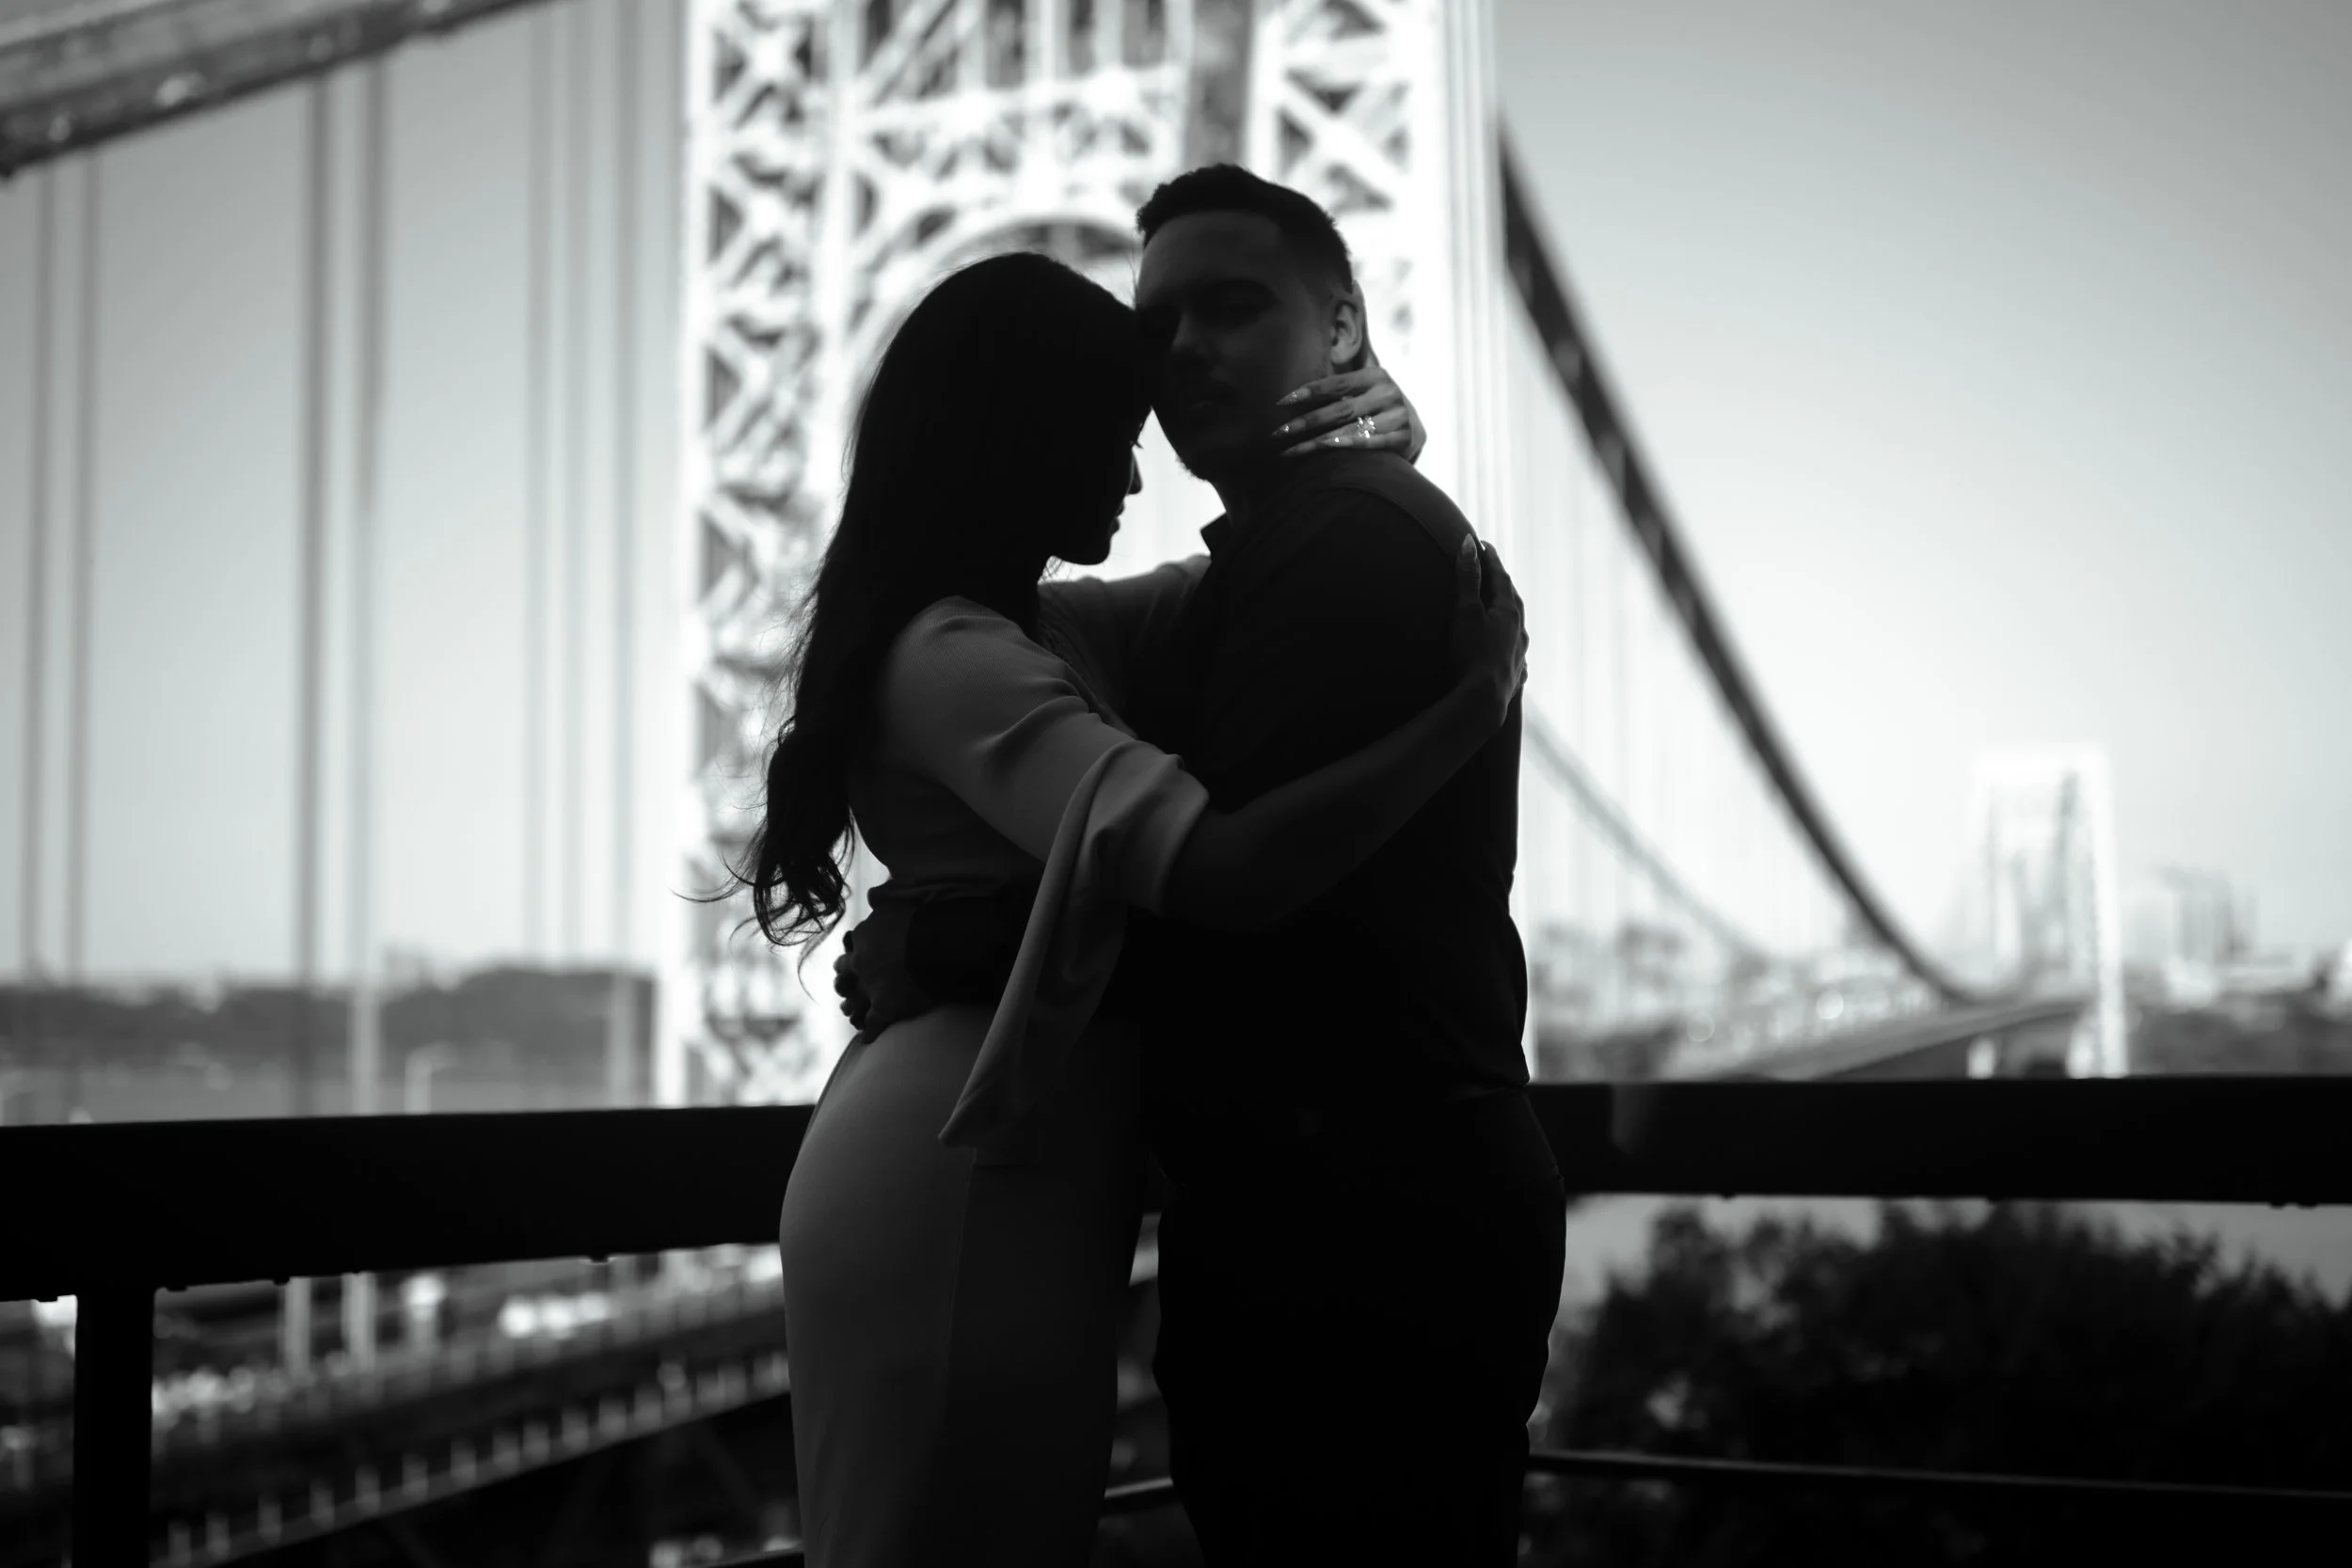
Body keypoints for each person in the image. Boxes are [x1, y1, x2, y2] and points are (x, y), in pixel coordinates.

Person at [743, 247, 1529, 1568]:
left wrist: (1355, 456)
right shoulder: (949, 655)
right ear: (1023, 439)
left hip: (1023, 1160)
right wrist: (1465, 714)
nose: (1133, 476)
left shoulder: (1042, 635)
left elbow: (1242, 586)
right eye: (1108, 441)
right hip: (957, 1180)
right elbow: (1225, 871)